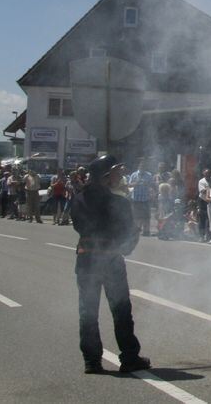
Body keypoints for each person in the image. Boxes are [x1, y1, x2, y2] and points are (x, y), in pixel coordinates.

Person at [71, 155, 150, 374]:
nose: (121, 175)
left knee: (88, 311)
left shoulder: (78, 199)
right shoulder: (119, 202)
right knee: (121, 311)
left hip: (86, 259)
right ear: (106, 177)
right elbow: (126, 234)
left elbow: (78, 226)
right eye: (117, 172)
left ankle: (91, 361)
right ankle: (129, 358)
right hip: (111, 260)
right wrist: (130, 241)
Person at [128, 159, 155, 237]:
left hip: (145, 198)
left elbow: (152, 185)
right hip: (136, 198)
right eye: (141, 166)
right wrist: (136, 183)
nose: (142, 167)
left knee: (146, 216)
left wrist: (147, 184)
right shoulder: (134, 175)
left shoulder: (149, 175)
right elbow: (129, 185)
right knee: (136, 216)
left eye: (144, 166)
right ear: (139, 167)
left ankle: (146, 231)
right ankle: (136, 230)